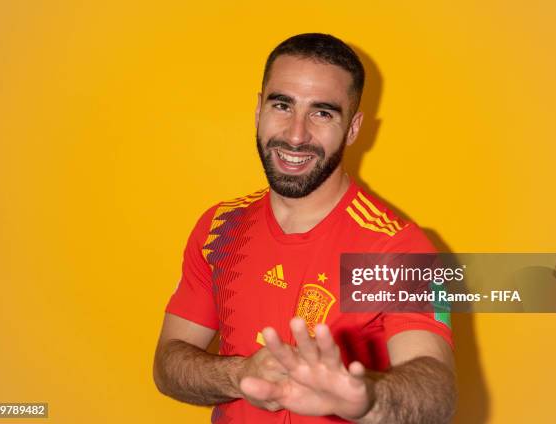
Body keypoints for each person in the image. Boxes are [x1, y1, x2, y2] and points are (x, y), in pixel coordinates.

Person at [153, 33, 456, 423]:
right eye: (282, 105)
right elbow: (168, 363)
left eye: (322, 113)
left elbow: (438, 391)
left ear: (352, 127)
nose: (296, 135)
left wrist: (367, 399)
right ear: (259, 108)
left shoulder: (396, 247)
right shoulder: (219, 226)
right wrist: (239, 373)